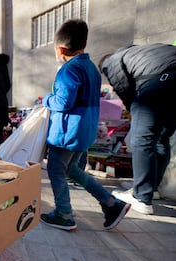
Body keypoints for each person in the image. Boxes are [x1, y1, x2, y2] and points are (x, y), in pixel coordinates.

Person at [40, 19, 131, 231]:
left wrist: (46, 99)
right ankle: (111, 204)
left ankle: (64, 214)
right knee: (73, 170)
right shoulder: (90, 67)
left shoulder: (68, 70)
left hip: (67, 133)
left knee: (56, 169)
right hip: (84, 131)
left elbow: (63, 102)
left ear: (61, 49)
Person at [98, 43, 176, 214]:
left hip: (160, 82)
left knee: (142, 139)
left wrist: (133, 112)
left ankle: (141, 197)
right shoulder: (143, 51)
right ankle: (152, 188)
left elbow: (123, 87)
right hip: (174, 83)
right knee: (162, 138)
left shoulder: (111, 61)